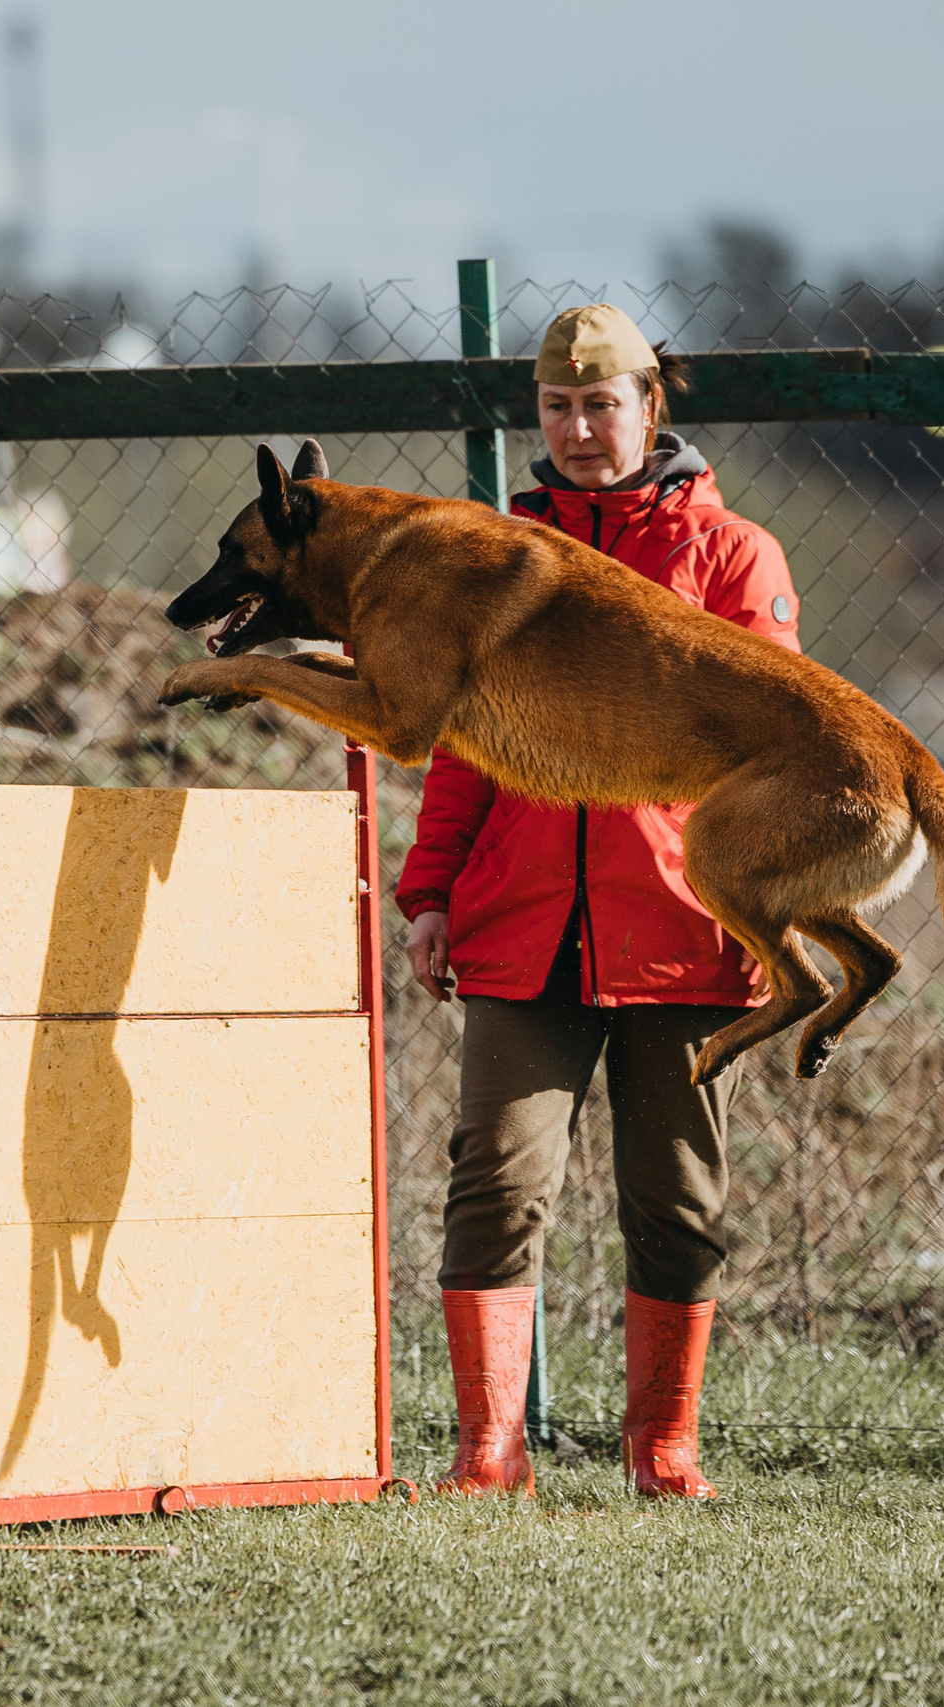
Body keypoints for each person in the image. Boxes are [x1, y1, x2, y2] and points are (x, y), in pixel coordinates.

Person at [396, 303, 802, 1500]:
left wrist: (765, 915)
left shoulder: (736, 559)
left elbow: (773, 751)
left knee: (677, 1200)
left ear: (649, 408)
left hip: (686, 928)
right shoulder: (490, 560)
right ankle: (489, 1453)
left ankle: (661, 1448)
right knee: (496, 1184)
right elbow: (463, 746)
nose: (579, 429)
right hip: (520, 929)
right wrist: (428, 895)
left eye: (601, 405)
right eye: (559, 408)